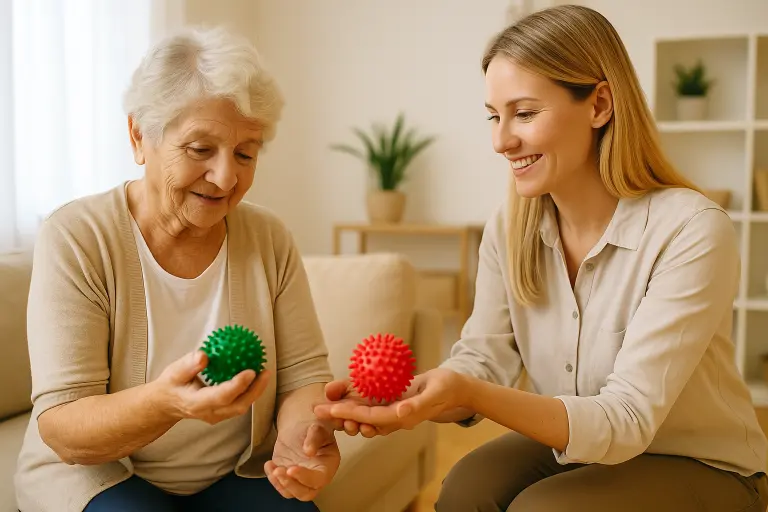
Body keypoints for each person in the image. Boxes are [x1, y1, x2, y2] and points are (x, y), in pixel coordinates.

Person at [314, 5, 768, 511]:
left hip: (696, 461)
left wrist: (469, 391)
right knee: (465, 490)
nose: (501, 140)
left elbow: (627, 420)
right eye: (494, 116)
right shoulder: (511, 227)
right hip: (583, 447)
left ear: (599, 105)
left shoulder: (690, 229)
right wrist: (413, 397)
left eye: (524, 113)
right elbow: (485, 359)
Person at [15, 27, 340, 512]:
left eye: (246, 153)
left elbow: (303, 375)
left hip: (233, 473)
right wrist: (167, 403)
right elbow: (63, 426)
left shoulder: (269, 238)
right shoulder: (77, 236)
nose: (227, 177)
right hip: (98, 475)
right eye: (200, 149)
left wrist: (302, 438)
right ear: (139, 136)